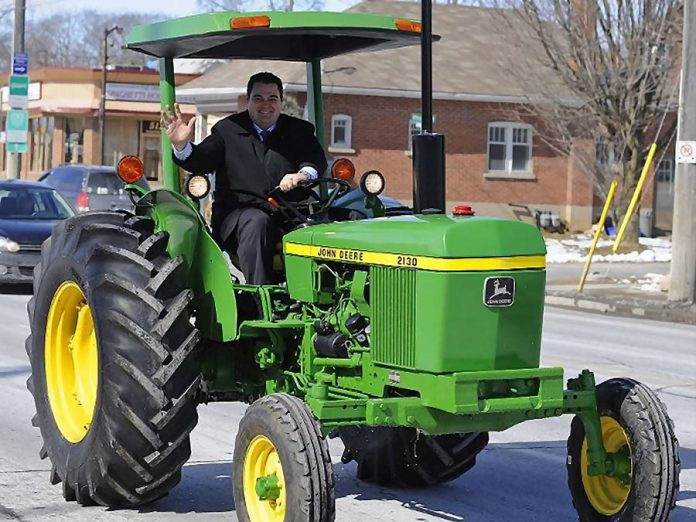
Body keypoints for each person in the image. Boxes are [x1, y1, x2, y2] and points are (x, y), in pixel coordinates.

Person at [162, 72, 328, 284]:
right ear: (248, 101)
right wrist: (181, 146)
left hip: (291, 215)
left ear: (281, 101)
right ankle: (262, 301)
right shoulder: (228, 130)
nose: (265, 105)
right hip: (239, 218)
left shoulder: (299, 131)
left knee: (347, 219)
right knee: (257, 221)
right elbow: (201, 160)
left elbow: (314, 160)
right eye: (258, 98)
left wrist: (302, 175)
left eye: (272, 98)